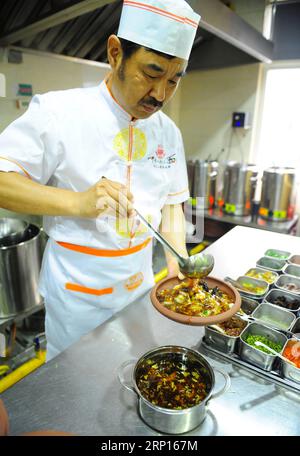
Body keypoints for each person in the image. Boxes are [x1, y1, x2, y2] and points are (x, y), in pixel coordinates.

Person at [0, 0, 200, 361]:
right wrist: (78, 203)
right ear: (115, 53)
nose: (160, 94)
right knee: (76, 391)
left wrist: (177, 260)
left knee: (134, 379)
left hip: (141, 290)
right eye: (151, 73)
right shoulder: (59, 113)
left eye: (173, 79)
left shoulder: (168, 133)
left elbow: (171, 204)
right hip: (78, 297)